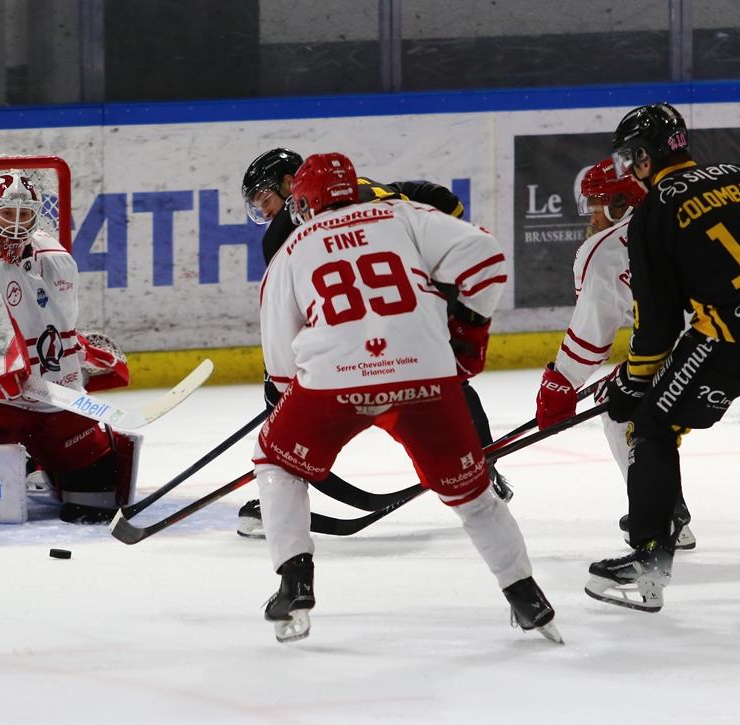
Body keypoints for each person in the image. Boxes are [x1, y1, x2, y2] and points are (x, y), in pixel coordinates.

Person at [254, 151, 561, 644]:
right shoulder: (403, 213)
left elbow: (282, 367)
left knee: (276, 461)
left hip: (334, 381)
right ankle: (527, 596)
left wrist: (296, 414)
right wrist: (468, 331)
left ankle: (295, 580)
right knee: (473, 496)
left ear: (305, 203)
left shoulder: (290, 250)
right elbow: (487, 259)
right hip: (426, 376)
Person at [586, 103, 740, 612]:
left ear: (645, 157)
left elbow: (657, 328)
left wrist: (630, 385)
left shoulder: (654, 212)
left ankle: (649, 559)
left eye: (630, 157)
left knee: (651, 425)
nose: (629, 168)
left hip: (737, 331)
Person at [237, 148, 509, 539]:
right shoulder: (369, 189)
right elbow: (446, 202)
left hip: (365, 321)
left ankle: (282, 496)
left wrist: (277, 387)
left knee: (297, 412)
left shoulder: (289, 229)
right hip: (420, 295)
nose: (265, 213)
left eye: (266, 200)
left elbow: (290, 309)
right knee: (441, 375)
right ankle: (484, 470)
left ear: (290, 183)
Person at [0, 171, 134, 524]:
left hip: (44, 396)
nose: (17, 224)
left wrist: (77, 353)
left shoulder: (56, 258)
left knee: (96, 486)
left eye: (25, 214)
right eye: (8, 213)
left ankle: (40, 460)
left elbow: (54, 324)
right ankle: (26, 460)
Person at [535, 158, 697, 549]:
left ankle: (661, 516)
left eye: (599, 204)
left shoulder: (606, 248)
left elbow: (593, 333)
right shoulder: (681, 213)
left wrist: (561, 383)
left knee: (618, 406)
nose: (592, 215)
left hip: (700, 345)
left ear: (623, 201)